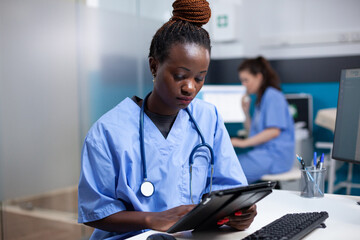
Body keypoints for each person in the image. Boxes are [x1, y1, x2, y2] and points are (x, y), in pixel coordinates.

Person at [78, 1, 257, 239]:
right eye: (180, 76)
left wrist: (238, 213)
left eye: (200, 78)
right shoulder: (107, 132)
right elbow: (96, 212)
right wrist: (151, 219)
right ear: (154, 66)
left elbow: (228, 188)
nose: (190, 88)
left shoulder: (208, 118)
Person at [231, 56, 295, 184]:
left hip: (275, 157)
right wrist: (246, 112)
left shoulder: (272, 95)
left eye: (246, 80)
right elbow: (253, 133)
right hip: (263, 154)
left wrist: (242, 143)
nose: (243, 84)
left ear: (259, 77)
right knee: (229, 165)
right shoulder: (261, 100)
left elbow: (273, 132)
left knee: (230, 171)